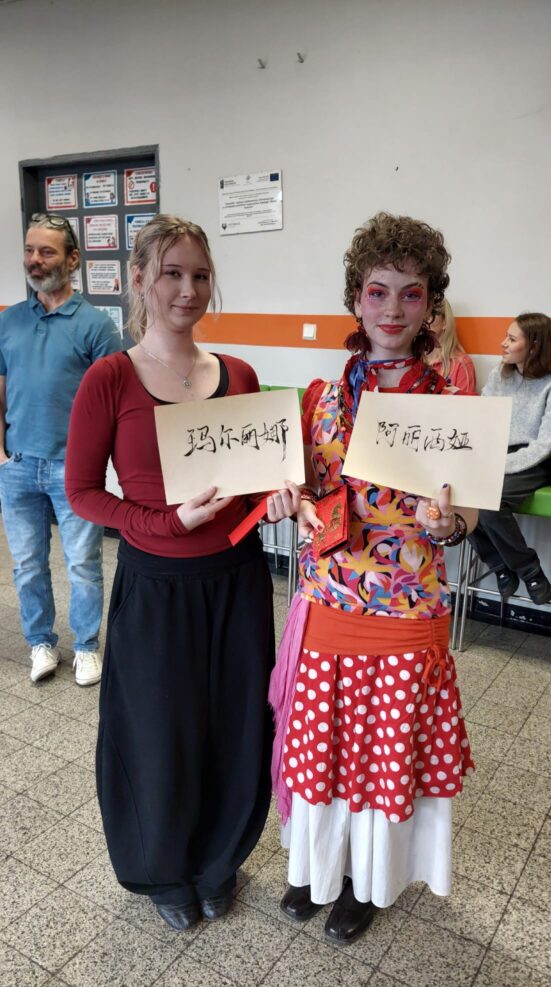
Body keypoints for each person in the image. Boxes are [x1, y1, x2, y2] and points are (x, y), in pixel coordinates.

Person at [65, 214, 299, 931]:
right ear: (139, 279)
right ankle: (164, 869)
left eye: (200, 275)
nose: (188, 289)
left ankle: (220, 860)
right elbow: (83, 492)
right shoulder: (110, 378)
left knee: (235, 724)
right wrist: (167, 524)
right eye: (172, 273)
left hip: (236, 581)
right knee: (157, 733)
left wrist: (279, 499)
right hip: (156, 587)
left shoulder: (239, 375)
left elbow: (254, 486)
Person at [269, 211, 478, 946]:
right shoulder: (320, 398)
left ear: (431, 304)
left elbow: (468, 516)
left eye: (411, 293)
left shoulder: (452, 407)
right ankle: (316, 869)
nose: (392, 309)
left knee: (387, 752)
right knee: (321, 746)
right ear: (355, 298)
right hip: (328, 602)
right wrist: (287, 501)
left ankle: (367, 881)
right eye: (378, 291)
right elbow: (297, 489)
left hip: (407, 611)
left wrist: (447, 526)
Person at [0, 213, 122, 686]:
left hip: (74, 469)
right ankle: (41, 643)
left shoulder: (96, 326)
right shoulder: (9, 321)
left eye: (46, 252)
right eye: (30, 250)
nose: (35, 260)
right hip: (17, 465)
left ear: (73, 260)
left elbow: (114, 403)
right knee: (27, 565)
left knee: (83, 564)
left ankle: (87, 646)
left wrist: (100, 462)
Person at [468, 313, 551, 604]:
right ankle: (499, 566)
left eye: (512, 339)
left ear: (534, 345)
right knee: (460, 495)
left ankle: (530, 571)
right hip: (497, 454)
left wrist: (501, 465)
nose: (503, 343)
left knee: (488, 503)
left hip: (537, 460)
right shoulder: (499, 374)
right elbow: (483, 420)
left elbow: (545, 444)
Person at [427, 299, 477, 394]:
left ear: (445, 322)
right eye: (421, 313)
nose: (424, 319)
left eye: (431, 313)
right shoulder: (411, 360)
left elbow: (466, 403)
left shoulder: (461, 364)